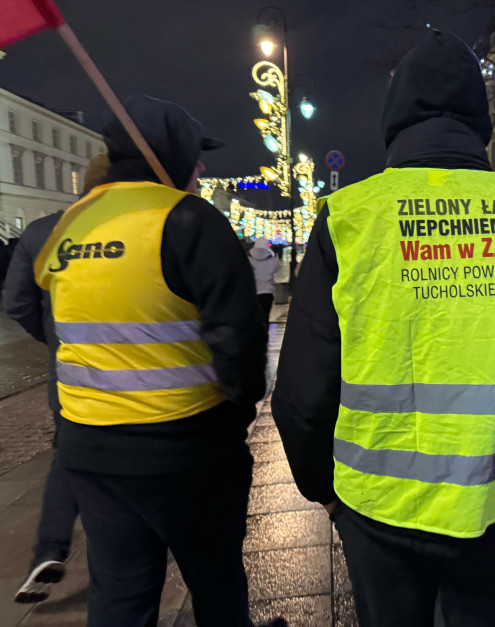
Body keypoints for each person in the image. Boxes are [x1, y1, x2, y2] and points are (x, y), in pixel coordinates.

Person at [272, 32, 495, 627]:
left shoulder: (349, 219)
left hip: (379, 511)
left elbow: (304, 386)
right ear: (480, 120)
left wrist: (326, 489)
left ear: (394, 118)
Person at [32, 95, 267, 626]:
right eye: (195, 153)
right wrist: (238, 412)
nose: (201, 166)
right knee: (217, 580)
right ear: (169, 152)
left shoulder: (71, 222)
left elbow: (45, 312)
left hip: (91, 450)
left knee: (120, 592)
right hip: (187, 450)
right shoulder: (187, 221)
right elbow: (240, 341)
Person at [4, 154, 110, 604]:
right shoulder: (142, 223)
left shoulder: (41, 231)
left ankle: (49, 550)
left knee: (66, 461)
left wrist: (56, 341)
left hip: (69, 377)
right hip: (149, 378)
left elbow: (18, 302)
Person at [249, 237, 281, 327]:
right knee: (265, 315)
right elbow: (277, 267)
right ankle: (265, 333)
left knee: (255, 315)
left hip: (253, 291)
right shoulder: (271, 259)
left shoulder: (249, 258)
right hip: (267, 291)